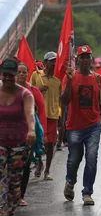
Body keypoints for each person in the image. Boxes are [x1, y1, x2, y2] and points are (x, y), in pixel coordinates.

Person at [61, 45, 101, 206]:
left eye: (88, 56)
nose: (85, 60)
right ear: (77, 60)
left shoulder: (99, 79)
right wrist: (68, 81)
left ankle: (87, 192)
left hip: (93, 126)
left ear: (91, 60)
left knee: (91, 158)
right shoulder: (70, 77)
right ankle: (70, 182)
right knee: (74, 159)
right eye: (82, 57)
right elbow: (65, 101)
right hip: (74, 126)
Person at [0, 58, 36, 216]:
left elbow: (30, 114)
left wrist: (31, 130)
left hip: (19, 144)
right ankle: (1, 206)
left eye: (10, 75)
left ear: (15, 75)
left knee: (15, 183)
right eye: (4, 75)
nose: (7, 78)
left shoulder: (25, 94)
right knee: (1, 176)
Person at [16, 63, 47, 206]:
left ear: (28, 73)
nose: (21, 74)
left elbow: (41, 110)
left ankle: (21, 195)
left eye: (24, 72)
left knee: (26, 164)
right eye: (19, 72)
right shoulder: (6, 90)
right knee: (9, 166)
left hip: (28, 133)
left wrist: (42, 132)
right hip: (10, 134)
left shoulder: (32, 90)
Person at [31, 51, 61, 180]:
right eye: (51, 61)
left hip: (53, 115)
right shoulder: (36, 76)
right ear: (45, 63)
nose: (53, 63)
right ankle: (39, 163)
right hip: (38, 115)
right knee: (38, 142)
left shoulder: (58, 80)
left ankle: (47, 170)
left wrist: (61, 117)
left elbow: (60, 99)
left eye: (55, 61)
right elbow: (27, 92)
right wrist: (39, 90)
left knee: (51, 144)